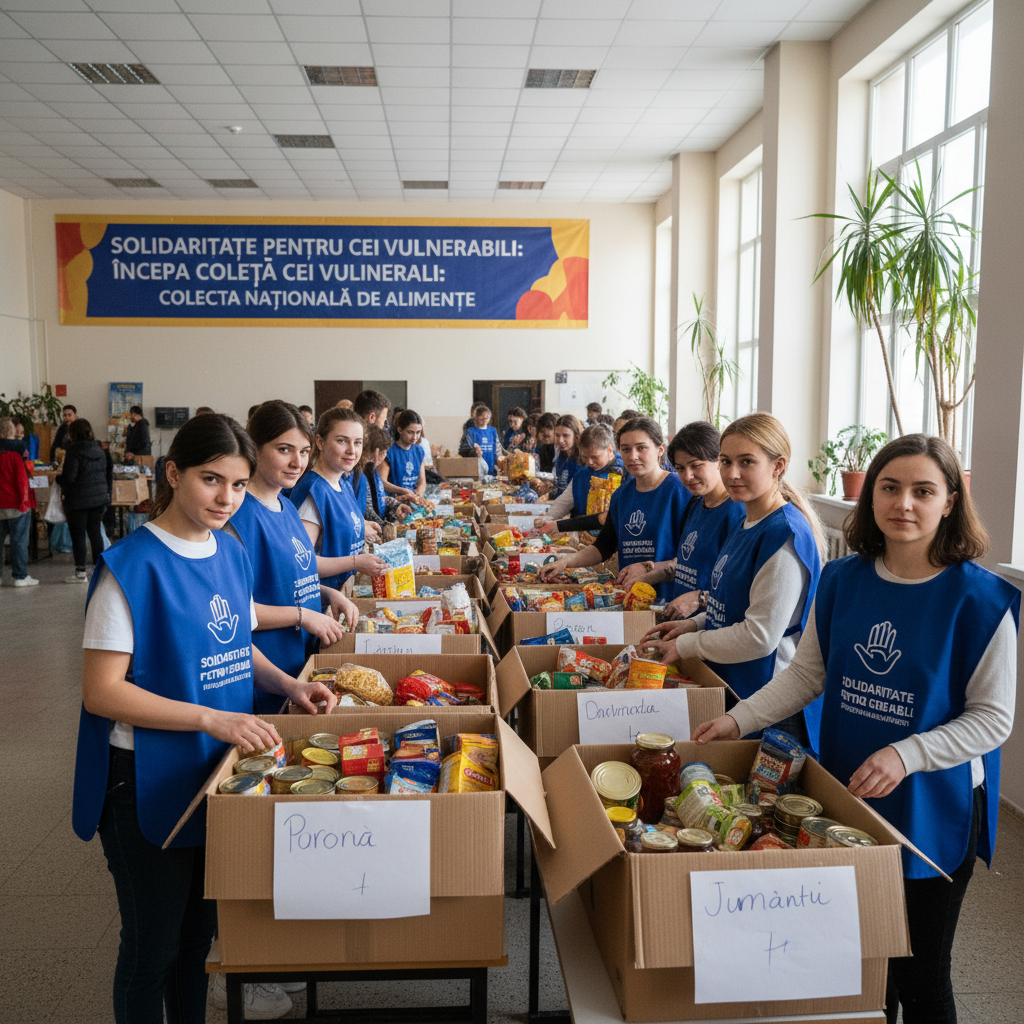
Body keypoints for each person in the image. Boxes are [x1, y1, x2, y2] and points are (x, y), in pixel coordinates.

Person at [692, 433, 1017, 1024]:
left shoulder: (982, 600)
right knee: (857, 963)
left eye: (924, 491)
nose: (904, 504)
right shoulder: (842, 579)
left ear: (950, 501)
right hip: (846, 793)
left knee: (919, 974)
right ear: (870, 497)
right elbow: (807, 676)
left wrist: (909, 754)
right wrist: (737, 719)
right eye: (889, 488)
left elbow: (992, 719)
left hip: (931, 806)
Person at [71, 413, 337, 1024]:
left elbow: (232, 643)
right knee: (151, 950)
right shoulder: (130, 568)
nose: (226, 498)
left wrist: (288, 685)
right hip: (142, 779)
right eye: (211, 480)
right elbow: (101, 692)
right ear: (173, 473)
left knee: (196, 941)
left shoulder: (230, 549)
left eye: (239, 485)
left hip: (214, 771)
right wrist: (210, 718)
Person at [642, 412, 825, 747]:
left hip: (769, 699)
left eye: (747, 462)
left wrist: (686, 645)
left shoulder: (783, 534)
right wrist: (696, 623)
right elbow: (731, 599)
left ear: (778, 466)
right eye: (726, 461)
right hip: (734, 682)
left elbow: (760, 636)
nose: (733, 473)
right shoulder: (748, 522)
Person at [226, 401, 357, 714]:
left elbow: (291, 578)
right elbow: (236, 611)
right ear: (254, 449)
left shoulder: (285, 507)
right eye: (284, 449)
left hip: (298, 663)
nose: (297, 462)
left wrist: (327, 593)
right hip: (264, 672)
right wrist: (303, 615)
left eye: (304, 450)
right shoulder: (236, 518)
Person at [541, 417, 690, 600]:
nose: (632, 456)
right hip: (631, 599)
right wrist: (565, 562)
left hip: (671, 600)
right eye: (626, 449)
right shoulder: (622, 495)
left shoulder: (679, 490)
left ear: (660, 449)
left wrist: (647, 567)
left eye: (641, 448)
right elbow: (604, 546)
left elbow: (691, 557)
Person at [633, 421, 745, 620]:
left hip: (711, 629)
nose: (688, 476)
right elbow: (690, 565)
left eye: (696, 466)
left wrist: (699, 599)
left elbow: (743, 591)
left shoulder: (736, 512)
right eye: (680, 468)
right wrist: (648, 575)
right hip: (682, 627)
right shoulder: (695, 505)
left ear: (720, 461)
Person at [289, 407, 387, 590]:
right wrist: (355, 562)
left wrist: (361, 525)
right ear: (320, 442)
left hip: (341, 593)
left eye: (358, 443)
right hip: (319, 602)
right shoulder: (314, 492)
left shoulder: (343, 483)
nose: (352, 450)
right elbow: (303, 562)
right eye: (342, 441)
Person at [535, 423, 623, 535]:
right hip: (585, 536)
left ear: (610, 450)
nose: (590, 462)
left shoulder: (626, 473)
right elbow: (564, 501)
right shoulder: (582, 475)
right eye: (585, 457)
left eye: (595, 457)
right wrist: (548, 518)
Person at [57, 418, 113, 584]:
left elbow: (70, 477)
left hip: (78, 501)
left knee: (78, 536)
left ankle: (80, 573)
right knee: (95, 533)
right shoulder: (99, 449)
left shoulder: (74, 451)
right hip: (99, 499)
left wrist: (59, 479)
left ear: (73, 434)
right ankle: (99, 570)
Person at [0, 422, 36, 587]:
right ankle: (20, 576)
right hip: (15, 504)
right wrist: (24, 501)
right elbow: (22, 481)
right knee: (19, 541)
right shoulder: (15, 455)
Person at [359, 425, 412, 528]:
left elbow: (379, 500)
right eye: (384, 453)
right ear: (377, 452)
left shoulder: (372, 470)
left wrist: (396, 505)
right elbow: (368, 511)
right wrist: (385, 527)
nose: (384, 456)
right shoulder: (361, 475)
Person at [380, 409, 429, 502]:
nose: (415, 437)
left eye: (418, 432)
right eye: (410, 432)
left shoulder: (419, 451)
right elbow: (382, 482)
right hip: (394, 502)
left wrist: (419, 493)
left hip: (413, 500)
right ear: (400, 430)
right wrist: (403, 491)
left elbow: (422, 481)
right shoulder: (389, 452)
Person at [550, 414, 584, 498]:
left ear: (576, 437)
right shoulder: (561, 456)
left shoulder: (583, 460)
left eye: (565, 435)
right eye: (557, 435)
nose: (560, 440)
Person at [462, 404, 500, 476]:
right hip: (477, 466)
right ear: (475, 418)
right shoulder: (471, 431)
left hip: (491, 463)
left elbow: (497, 448)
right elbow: (466, 450)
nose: (485, 420)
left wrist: (499, 462)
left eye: (487, 418)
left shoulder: (492, 430)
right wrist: (474, 452)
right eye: (482, 418)